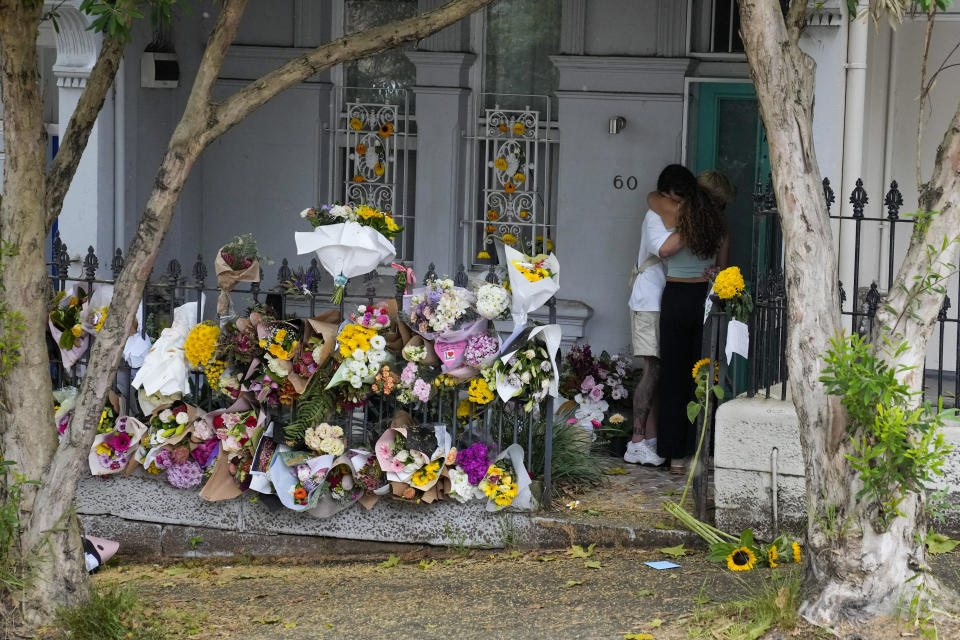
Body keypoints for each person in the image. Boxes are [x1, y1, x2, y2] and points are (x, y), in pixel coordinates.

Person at [648, 165, 729, 474]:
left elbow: (652, 198)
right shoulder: (719, 226)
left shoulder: (679, 217)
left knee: (673, 375)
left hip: (676, 296)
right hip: (704, 301)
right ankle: (700, 452)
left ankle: (674, 452)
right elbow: (722, 268)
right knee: (704, 376)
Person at [624, 189, 673, 466]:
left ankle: (650, 439)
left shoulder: (663, 211)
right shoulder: (655, 215)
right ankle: (637, 441)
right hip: (648, 300)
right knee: (651, 368)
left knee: (656, 368)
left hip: (658, 298)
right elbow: (661, 248)